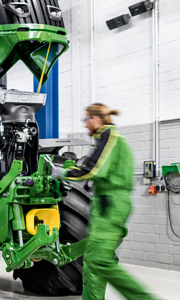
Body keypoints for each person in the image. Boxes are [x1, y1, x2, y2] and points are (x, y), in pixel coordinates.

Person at [52, 103, 156, 300]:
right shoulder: (107, 138)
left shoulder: (109, 137)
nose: (85, 125)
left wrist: (62, 173)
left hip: (111, 205)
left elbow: (93, 169)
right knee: (92, 261)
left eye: (86, 120)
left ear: (96, 119)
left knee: (99, 261)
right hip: (107, 204)